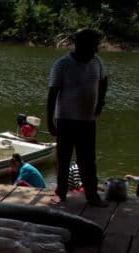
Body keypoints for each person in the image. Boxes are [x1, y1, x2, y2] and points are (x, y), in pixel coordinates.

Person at [47, 28, 108, 207]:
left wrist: (100, 102)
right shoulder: (62, 64)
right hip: (66, 119)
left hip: (88, 120)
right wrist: (50, 120)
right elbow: (52, 94)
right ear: (80, 45)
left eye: (96, 46)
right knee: (63, 158)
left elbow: (104, 81)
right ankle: (61, 192)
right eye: (92, 46)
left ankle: (92, 195)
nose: (95, 50)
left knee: (88, 160)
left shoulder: (97, 62)